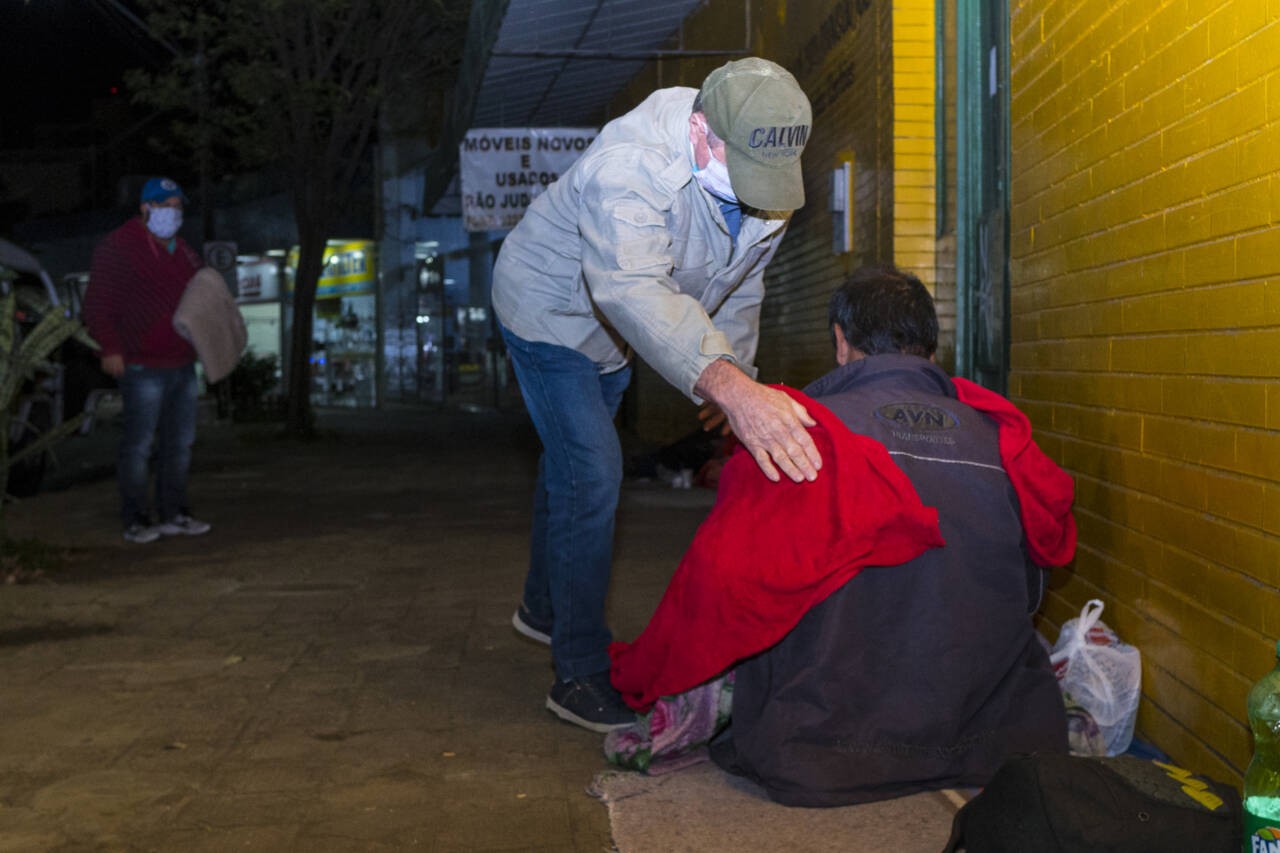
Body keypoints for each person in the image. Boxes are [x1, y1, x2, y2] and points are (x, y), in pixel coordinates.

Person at [610, 265, 1076, 804]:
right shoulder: (1001, 436)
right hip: (995, 743)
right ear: (931, 347)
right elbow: (1036, 578)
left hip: (822, 751)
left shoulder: (791, 435)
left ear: (840, 341)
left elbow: (717, 594)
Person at [492, 57, 820, 733]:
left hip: (616, 336)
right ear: (701, 132)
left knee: (573, 465)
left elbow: (744, 284)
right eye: (742, 170)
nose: (759, 192)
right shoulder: (630, 165)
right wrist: (728, 385)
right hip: (549, 311)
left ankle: (542, 606)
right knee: (594, 469)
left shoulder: (767, 169)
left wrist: (736, 371)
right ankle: (578, 672)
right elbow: (632, 288)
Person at [84, 177, 213, 545]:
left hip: (181, 363)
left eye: (177, 205)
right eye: (164, 205)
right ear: (145, 208)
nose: (172, 212)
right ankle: (136, 519)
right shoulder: (118, 247)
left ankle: (175, 513)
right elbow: (98, 303)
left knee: (180, 444)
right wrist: (110, 348)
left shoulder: (184, 252)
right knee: (138, 445)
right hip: (140, 364)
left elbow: (200, 299)